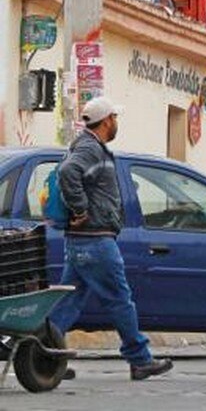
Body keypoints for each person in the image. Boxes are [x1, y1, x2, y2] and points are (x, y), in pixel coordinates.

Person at [50, 97, 174, 381]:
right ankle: (140, 359)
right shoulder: (90, 148)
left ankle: (46, 355)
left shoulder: (89, 147)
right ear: (106, 121)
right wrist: (80, 208)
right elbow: (68, 172)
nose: (117, 122)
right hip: (95, 241)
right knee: (120, 299)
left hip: (82, 241)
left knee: (69, 301)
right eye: (115, 118)